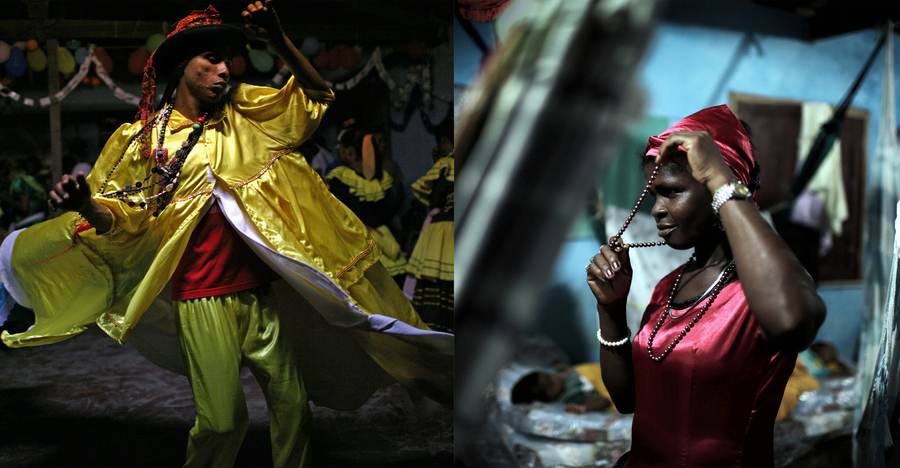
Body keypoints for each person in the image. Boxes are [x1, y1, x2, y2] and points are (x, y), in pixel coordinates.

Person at [0, 2, 451, 467]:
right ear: (181, 64)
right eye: (210, 61)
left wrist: (277, 38)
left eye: (226, 62)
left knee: (294, 408)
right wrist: (85, 204)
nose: (223, 70)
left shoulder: (247, 115)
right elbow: (120, 219)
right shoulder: (145, 140)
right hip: (201, 296)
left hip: (258, 295)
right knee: (222, 422)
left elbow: (315, 97)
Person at [586, 104, 826, 467]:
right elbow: (628, 401)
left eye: (672, 191)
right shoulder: (668, 287)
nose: (657, 210)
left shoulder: (766, 290)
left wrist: (722, 179)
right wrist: (611, 310)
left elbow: (792, 322)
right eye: (655, 196)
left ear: (718, 185)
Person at [326, 126, 408, 286]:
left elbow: (338, 214)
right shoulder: (381, 179)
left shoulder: (341, 178)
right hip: (384, 238)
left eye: (340, 148)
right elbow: (389, 208)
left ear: (349, 152)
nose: (338, 152)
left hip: (357, 242)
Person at [404, 119, 454, 333]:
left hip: (442, 232)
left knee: (436, 283)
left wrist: (438, 165)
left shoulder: (447, 164)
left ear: (444, 142)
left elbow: (435, 199)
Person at [511, 364, 613, 414]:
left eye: (549, 375)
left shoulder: (563, 375)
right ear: (549, 399)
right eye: (551, 384)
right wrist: (585, 408)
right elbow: (604, 402)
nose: (555, 378)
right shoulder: (570, 397)